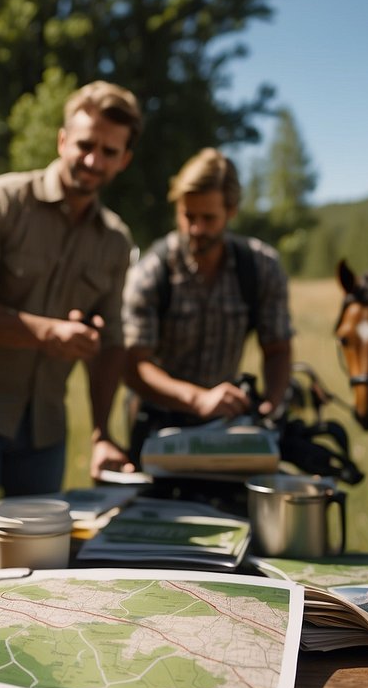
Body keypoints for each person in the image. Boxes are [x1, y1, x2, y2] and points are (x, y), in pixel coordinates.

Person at [0, 81, 142, 532]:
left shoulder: (115, 241)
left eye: (109, 151)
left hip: (46, 424)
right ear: (62, 139)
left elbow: (111, 344)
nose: (93, 160)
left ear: (124, 160)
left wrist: (102, 433)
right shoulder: (1, 200)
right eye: (85, 144)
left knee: (40, 558)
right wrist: (47, 332)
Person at [121, 148, 294, 463]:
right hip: (158, 428)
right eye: (188, 216)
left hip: (226, 427)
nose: (196, 229)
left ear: (231, 212)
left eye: (208, 218)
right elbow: (134, 366)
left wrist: (271, 405)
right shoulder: (152, 272)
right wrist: (197, 399)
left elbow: (278, 347)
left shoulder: (260, 268)